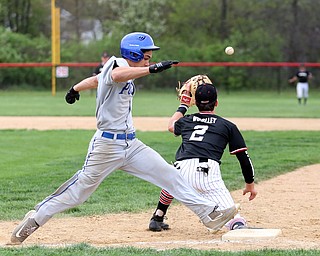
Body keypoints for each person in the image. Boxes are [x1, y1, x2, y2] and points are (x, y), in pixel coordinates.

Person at [10, 32, 238, 245]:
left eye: (150, 57)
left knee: (169, 175)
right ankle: (35, 218)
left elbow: (98, 79)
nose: (149, 59)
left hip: (131, 145)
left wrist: (75, 88)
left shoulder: (120, 71)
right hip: (107, 146)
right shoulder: (117, 63)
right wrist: (153, 70)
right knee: (78, 193)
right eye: (146, 55)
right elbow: (115, 74)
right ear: (133, 54)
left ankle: (209, 214)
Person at [148, 77, 257, 232]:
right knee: (231, 215)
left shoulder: (187, 121)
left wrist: (183, 105)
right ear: (217, 103)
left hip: (181, 169)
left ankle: (158, 216)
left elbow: (171, 126)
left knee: (172, 178)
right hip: (207, 173)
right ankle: (237, 223)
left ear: (196, 102)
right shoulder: (227, 126)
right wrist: (250, 185)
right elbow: (244, 160)